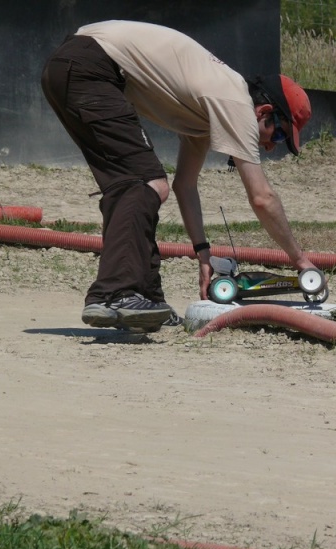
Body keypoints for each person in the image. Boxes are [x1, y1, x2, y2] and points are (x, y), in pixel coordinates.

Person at [41, 20, 317, 332]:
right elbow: (262, 197)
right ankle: (116, 294)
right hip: (91, 67)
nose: (269, 147)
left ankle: (145, 297)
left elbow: (185, 185)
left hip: (70, 67)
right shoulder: (235, 101)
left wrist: (203, 254)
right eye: (278, 136)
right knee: (146, 183)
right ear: (263, 111)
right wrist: (299, 260)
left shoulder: (206, 113)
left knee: (131, 185)